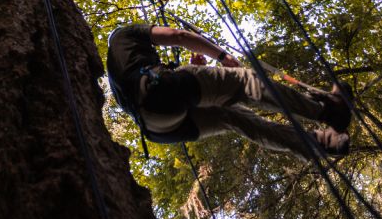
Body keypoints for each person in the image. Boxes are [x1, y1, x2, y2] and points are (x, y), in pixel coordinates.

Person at [107, 24, 353, 160]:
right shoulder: (125, 34)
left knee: (235, 118)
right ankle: (329, 110)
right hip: (162, 90)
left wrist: (194, 75)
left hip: (158, 128)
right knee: (246, 82)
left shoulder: (116, 71)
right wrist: (222, 56)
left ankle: (318, 144)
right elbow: (177, 36)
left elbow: (163, 98)